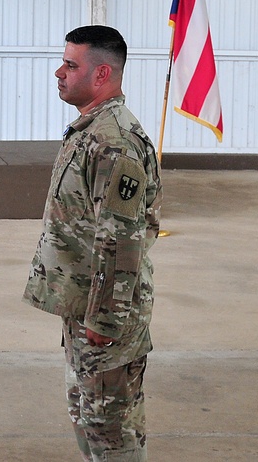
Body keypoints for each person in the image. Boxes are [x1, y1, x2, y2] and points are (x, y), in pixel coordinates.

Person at [23, 25, 162, 462]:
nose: (58, 72)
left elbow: (122, 241)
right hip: (85, 306)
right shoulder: (91, 130)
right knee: (91, 420)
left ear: (102, 74)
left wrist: (103, 320)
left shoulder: (112, 142)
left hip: (105, 318)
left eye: (70, 64)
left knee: (110, 432)